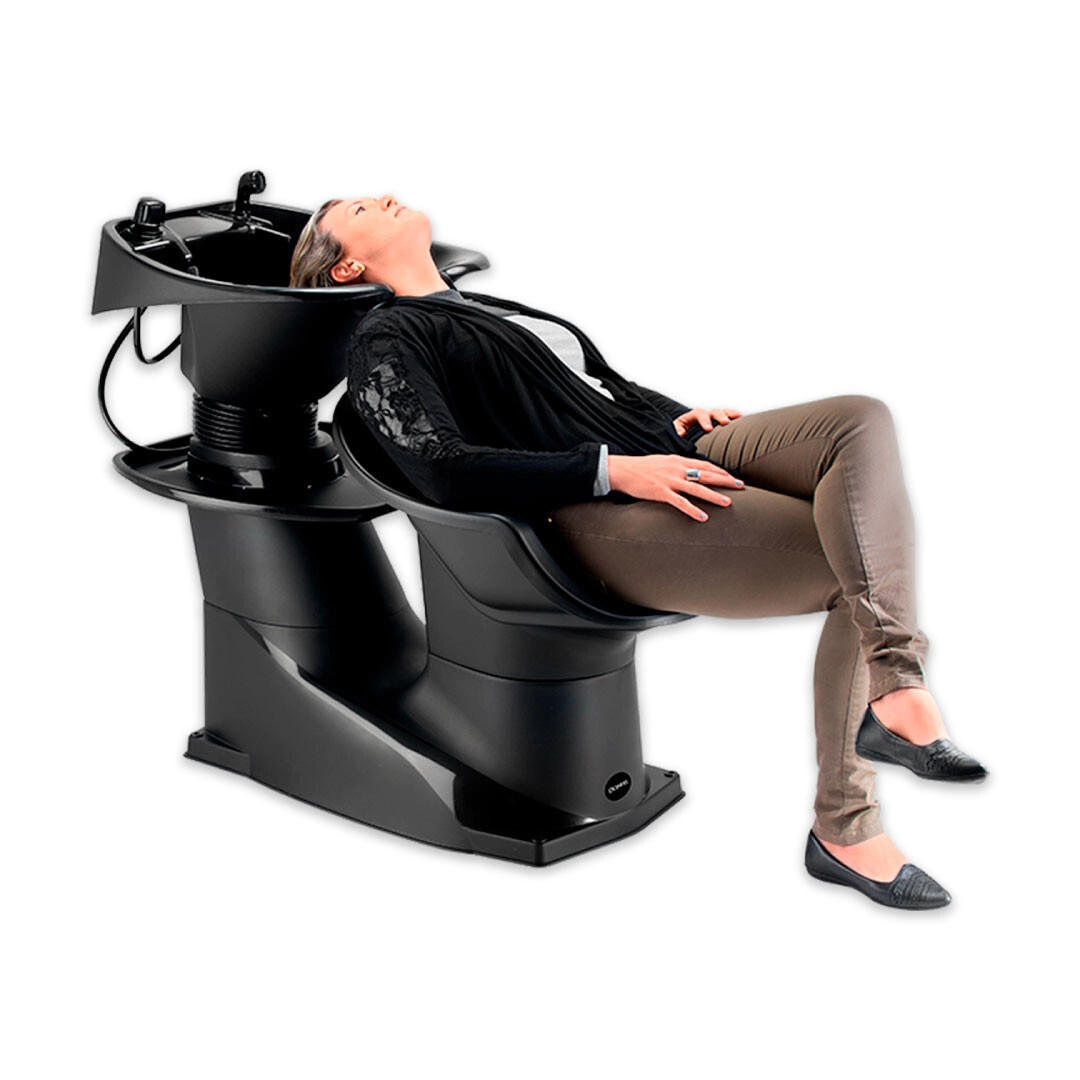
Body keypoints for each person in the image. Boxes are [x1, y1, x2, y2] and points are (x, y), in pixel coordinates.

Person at [290, 193, 989, 909]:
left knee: (860, 420)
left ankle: (895, 686)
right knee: (848, 561)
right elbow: (439, 464)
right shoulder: (388, 335)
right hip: (592, 508)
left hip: (666, 446)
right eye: (360, 209)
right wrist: (611, 471)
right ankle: (848, 826)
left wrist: (678, 413)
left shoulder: (489, 305)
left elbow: (599, 390)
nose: (385, 197)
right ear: (347, 267)